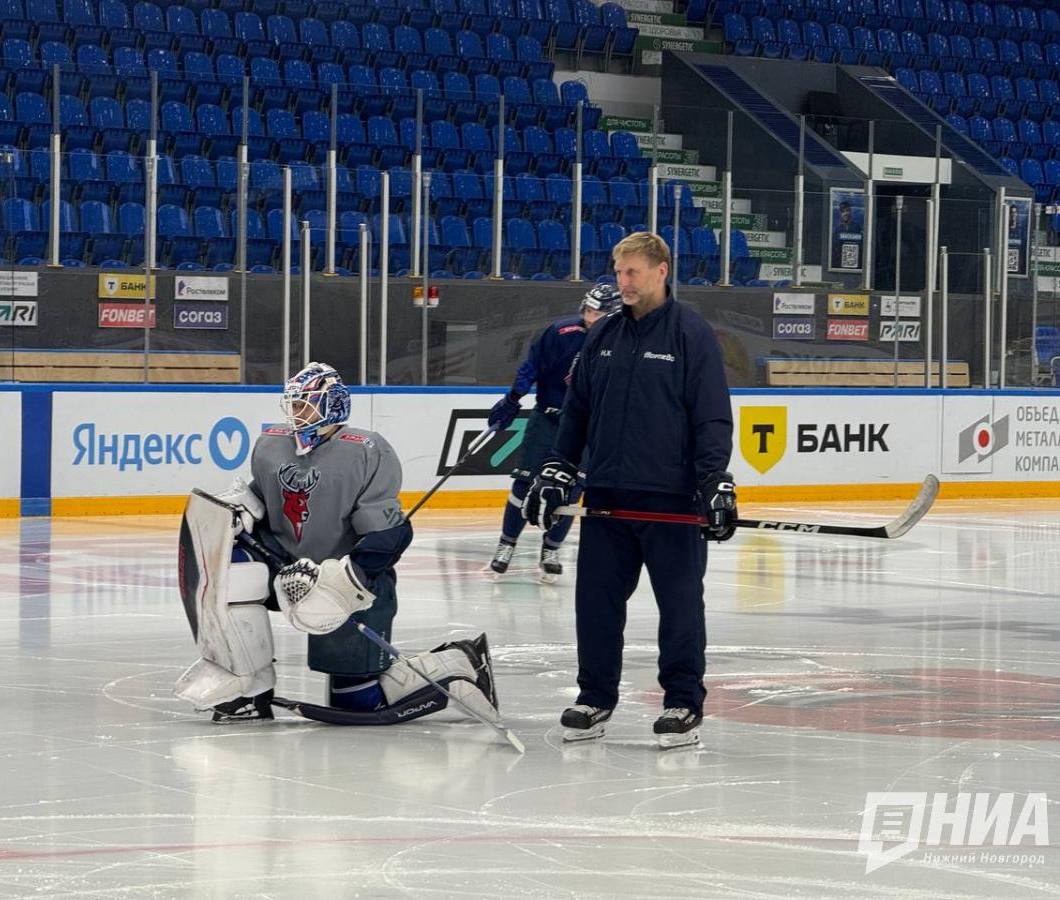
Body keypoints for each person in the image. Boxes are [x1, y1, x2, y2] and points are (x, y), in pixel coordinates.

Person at [174, 362, 500, 727]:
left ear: (333, 404)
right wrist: (241, 510)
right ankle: (250, 689)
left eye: (306, 403)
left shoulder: (367, 450)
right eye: (293, 403)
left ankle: (459, 663)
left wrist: (345, 580)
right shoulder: (271, 444)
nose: (297, 411)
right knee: (234, 569)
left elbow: (389, 535)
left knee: (356, 701)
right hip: (283, 563)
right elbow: (262, 497)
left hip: (343, 577)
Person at [524, 232, 736, 749]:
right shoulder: (603, 335)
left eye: (633, 272)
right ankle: (594, 698)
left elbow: (711, 414)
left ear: (661, 270)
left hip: (672, 502)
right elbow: (577, 411)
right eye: (619, 272)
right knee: (596, 605)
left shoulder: (691, 334)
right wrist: (558, 466)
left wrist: (714, 480)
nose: (623, 282)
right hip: (606, 499)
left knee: (680, 608)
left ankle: (682, 702)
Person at [485, 284, 622, 583]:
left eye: (598, 314)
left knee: (572, 491)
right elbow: (532, 365)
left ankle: (551, 549)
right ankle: (506, 544)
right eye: (588, 311)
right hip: (548, 419)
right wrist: (513, 398)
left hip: (587, 428)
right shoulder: (560, 332)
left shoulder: (623, 343)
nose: (590, 318)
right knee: (524, 483)